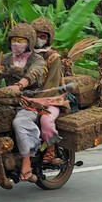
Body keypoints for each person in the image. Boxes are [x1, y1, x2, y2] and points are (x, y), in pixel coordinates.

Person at [0, 23, 45, 183]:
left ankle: (26, 165)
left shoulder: (36, 59)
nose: (16, 44)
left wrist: (19, 85)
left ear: (29, 42)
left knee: (20, 122)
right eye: (14, 40)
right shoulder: (5, 58)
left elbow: (33, 74)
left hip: (29, 102)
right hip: (7, 101)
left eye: (21, 40)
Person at [31, 17, 66, 165]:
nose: (39, 39)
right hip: (28, 99)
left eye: (43, 36)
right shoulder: (27, 55)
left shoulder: (53, 58)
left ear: (49, 38)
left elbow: (52, 85)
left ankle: (51, 148)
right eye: (36, 35)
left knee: (46, 120)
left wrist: (35, 100)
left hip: (52, 99)